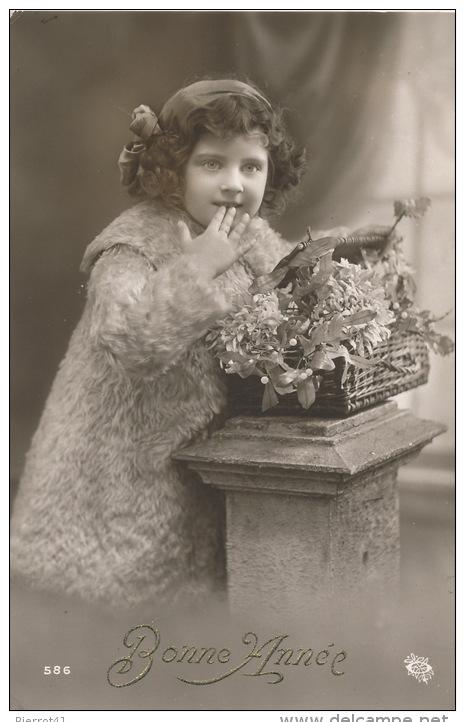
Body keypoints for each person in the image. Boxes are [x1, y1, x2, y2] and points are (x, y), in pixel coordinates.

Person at [10, 78, 307, 610]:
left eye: (251, 167)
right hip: (111, 469)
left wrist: (342, 250)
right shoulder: (133, 244)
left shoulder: (249, 234)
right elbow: (129, 341)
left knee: (194, 600)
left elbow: (291, 276)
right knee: (113, 600)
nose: (235, 184)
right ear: (175, 169)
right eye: (212, 164)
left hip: (190, 459)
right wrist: (196, 268)